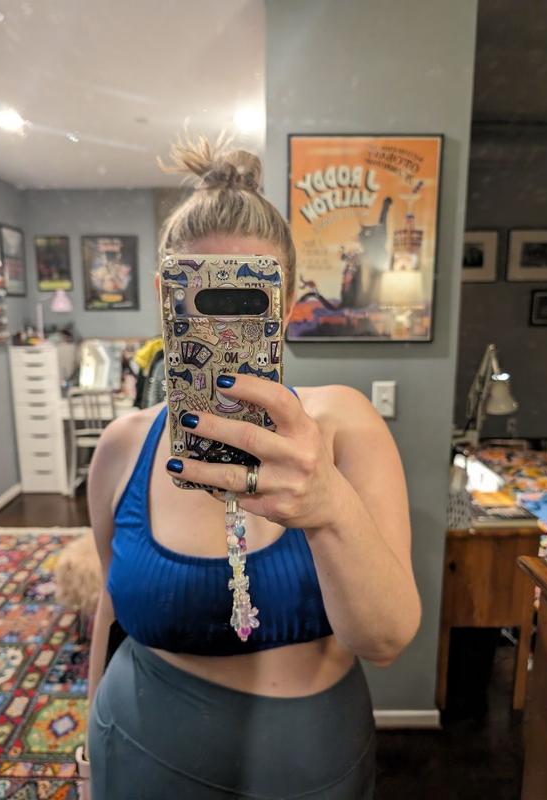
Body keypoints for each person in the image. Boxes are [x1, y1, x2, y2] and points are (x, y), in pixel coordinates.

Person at [81, 130, 421, 799]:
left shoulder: (345, 426)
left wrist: (327, 506)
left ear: (287, 304)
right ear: (165, 295)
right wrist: (89, 750)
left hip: (313, 772)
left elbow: (385, 640)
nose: (222, 325)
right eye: (200, 294)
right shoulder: (122, 445)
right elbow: (109, 603)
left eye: (248, 298)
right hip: (134, 754)